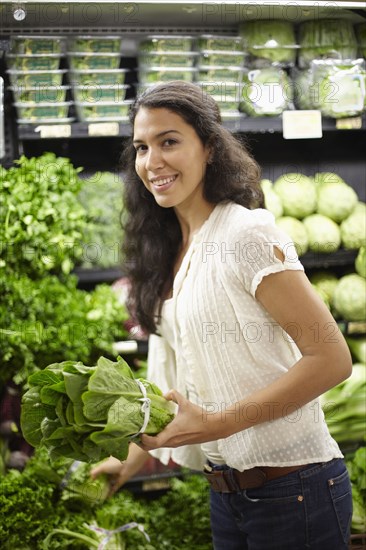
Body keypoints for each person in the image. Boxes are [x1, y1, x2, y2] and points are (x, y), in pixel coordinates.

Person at [91, 80, 353, 549]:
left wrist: (216, 425)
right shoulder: (169, 251)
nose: (153, 162)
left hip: (294, 490)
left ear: (209, 148)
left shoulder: (244, 234)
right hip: (225, 493)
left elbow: (331, 358)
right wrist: (129, 458)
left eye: (169, 142)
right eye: (141, 147)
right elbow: (181, 376)